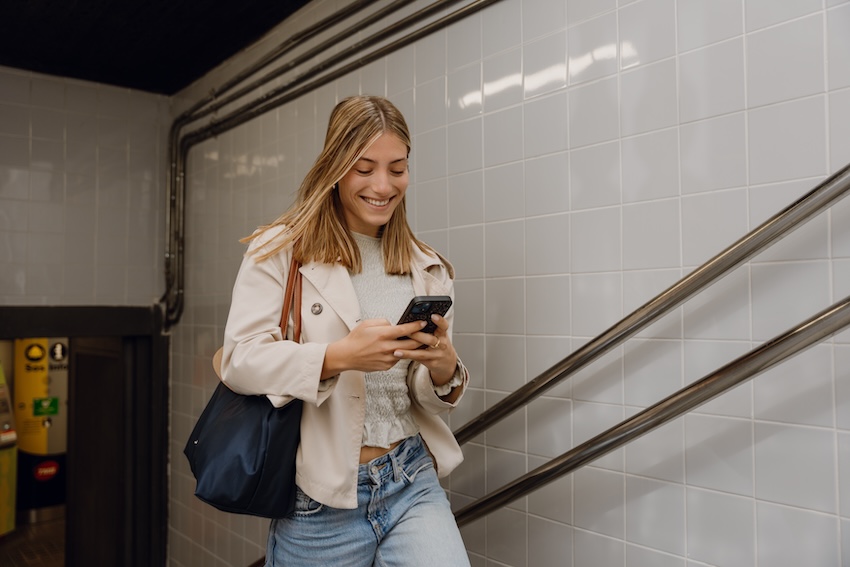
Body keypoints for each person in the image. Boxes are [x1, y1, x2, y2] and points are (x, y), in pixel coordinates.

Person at [220, 95, 471, 567]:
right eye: (364, 168)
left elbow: (424, 397)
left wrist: (443, 369)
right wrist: (339, 357)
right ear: (335, 166)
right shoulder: (280, 250)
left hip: (410, 476)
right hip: (319, 499)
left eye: (397, 169)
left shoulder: (428, 267)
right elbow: (240, 361)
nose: (383, 185)